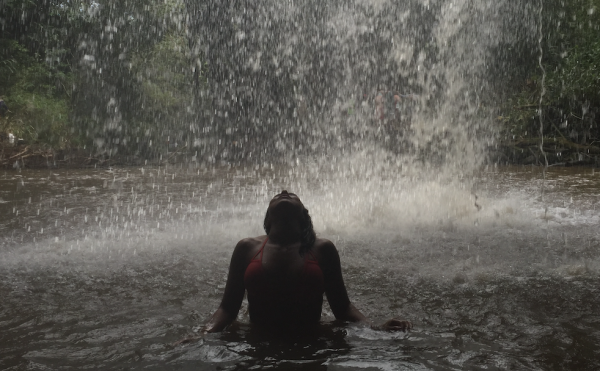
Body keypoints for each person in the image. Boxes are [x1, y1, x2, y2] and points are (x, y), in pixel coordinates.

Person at [180, 190, 410, 342]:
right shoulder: (246, 248)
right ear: (268, 219)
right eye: (278, 195)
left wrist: (376, 329)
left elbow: (343, 308)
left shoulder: (322, 249)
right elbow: (227, 309)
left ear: (304, 216)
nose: (284, 192)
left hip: (310, 343)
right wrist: (201, 335)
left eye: (292, 195)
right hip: (258, 342)